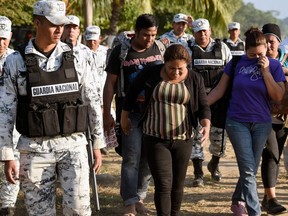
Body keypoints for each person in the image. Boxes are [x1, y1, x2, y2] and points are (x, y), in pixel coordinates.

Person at [0, 0, 105, 215]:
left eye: (63, 25)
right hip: (34, 149)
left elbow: (92, 100)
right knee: (39, 212)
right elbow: (5, 111)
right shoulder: (16, 62)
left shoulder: (78, 57)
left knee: (79, 210)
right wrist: (8, 154)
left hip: (74, 146)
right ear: (37, 22)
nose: (59, 30)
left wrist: (97, 143)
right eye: (53, 24)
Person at [120, 44, 211, 216]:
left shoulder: (195, 78)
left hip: (183, 139)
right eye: (171, 68)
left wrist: (206, 124)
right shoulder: (151, 73)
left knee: (177, 183)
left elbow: (203, 106)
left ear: (187, 66)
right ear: (164, 62)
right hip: (155, 138)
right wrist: (124, 117)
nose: (175, 73)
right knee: (163, 183)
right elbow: (131, 93)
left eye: (180, 69)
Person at [207, 27, 286, 216]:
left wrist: (265, 72)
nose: (257, 57)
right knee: (249, 170)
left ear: (267, 47)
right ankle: (255, 212)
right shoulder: (236, 64)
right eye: (252, 54)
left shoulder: (274, 66)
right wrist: (199, 108)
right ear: (245, 50)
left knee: (250, 166)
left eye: (260, 53)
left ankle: (236, 201)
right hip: (237, 122)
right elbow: (219, 90)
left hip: (262, 123)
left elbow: (278, 96)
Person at [103, 14, 165, 216]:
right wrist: (107, 113)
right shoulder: (121, 51)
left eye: (153, 34)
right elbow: (110, 83)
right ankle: (129, 201)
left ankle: (140, 197)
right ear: (136, 32)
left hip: (155, 113)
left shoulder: (160, 49)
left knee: (148, 157)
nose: (149, 39)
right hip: (129, 113)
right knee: (131, 156)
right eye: (146, 35)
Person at [187, 18, 232, 187]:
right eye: (199, 31)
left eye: (205, 31)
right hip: (196, 99)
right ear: (194, 33)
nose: (203, 34)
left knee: (219, 135)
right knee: (196, 135)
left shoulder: (223, 48)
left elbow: (230, 71)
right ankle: (198, 172)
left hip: (220, 99)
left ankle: (215, 164)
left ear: (210, 31)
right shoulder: (188, 48)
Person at [260, 23, 288, 215]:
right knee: (270, 154)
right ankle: (271, 200)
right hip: (262, 117)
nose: (269, 46)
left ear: (279, 42)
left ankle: (267, 198)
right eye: (266, 41)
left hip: (283, 118)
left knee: (276, 158)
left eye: (272, 42)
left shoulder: (286, 62)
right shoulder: (257, 62)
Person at [0, 15, 20, 216]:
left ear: (10, 36)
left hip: (10, 125)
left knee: (12, 163)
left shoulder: (17, 60)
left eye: (4, 38)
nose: (1, 43)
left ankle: (8, 206)